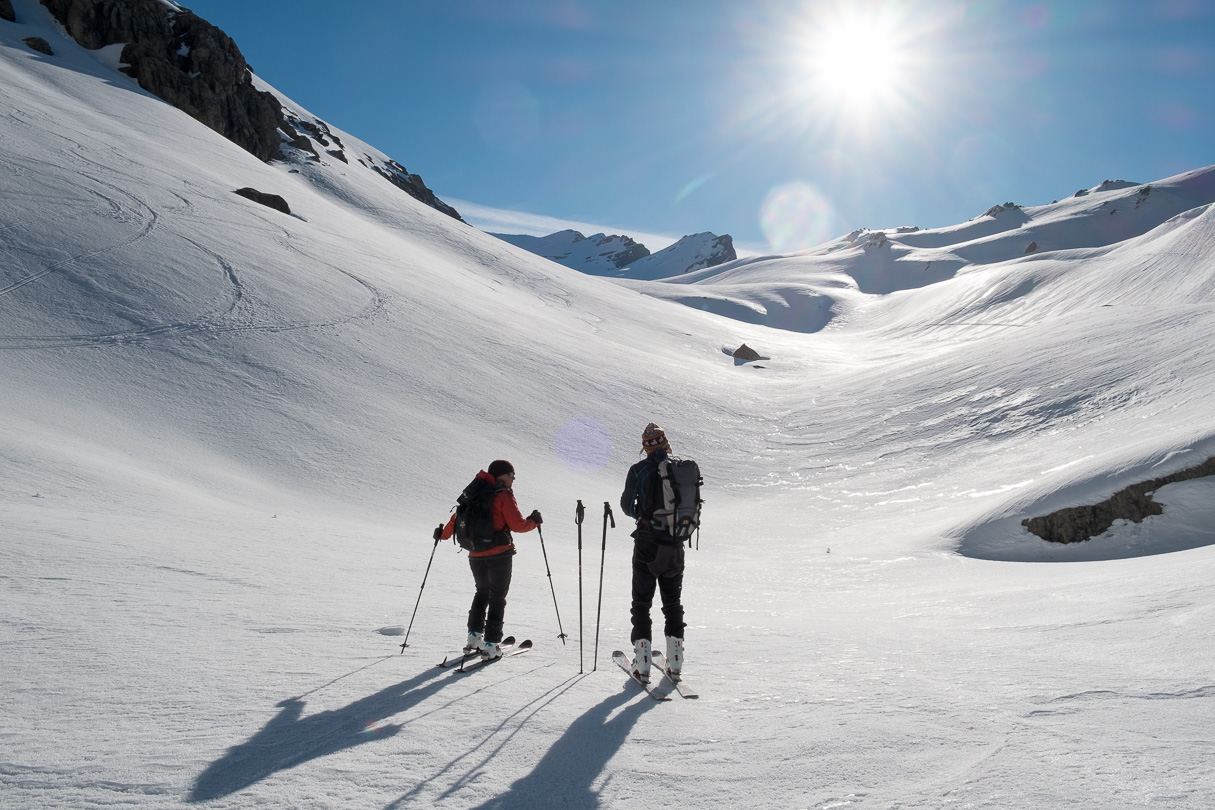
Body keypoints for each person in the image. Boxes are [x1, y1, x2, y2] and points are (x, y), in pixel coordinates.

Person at [437, 460, 542, 659]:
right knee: (497, 598)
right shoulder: (503, 495)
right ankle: (491, 645)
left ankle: (473, 639)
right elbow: (518, 525)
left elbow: (457, 518)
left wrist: (441, 534)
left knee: (482, 593)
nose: (513, 478)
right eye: (511, 474)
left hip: (475, 555)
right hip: (499, 554)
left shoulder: (475, 493)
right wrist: (534, 521)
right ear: (501, 475)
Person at [619, 423, 686, 682]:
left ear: (646, 448)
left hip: (647, 544)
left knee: (641, 603)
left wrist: (643, 516)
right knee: (672, 604)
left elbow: (626, 505)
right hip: (676, 545)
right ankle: (676, 661)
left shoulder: (639, 470)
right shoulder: (680, 469)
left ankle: (643, 662)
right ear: (666, 443)